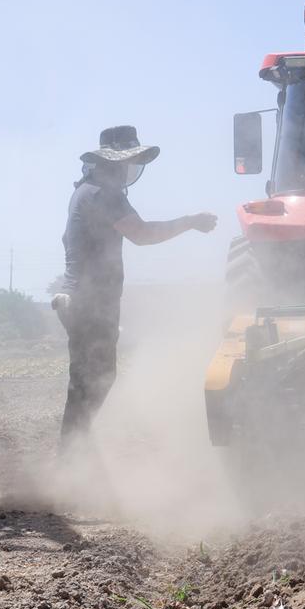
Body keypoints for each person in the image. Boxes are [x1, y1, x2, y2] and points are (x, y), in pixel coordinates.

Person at [55, 126, 217, 446]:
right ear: (113, 163)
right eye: (128, 162)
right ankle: (70, 457)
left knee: (89, 380)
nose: (129, 170)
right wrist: (191, 222)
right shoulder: (104, 193)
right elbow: (142, 234)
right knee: (95, 379)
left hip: (79, 298)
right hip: (91, 301)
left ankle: (75, 454)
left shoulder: (85, 190)